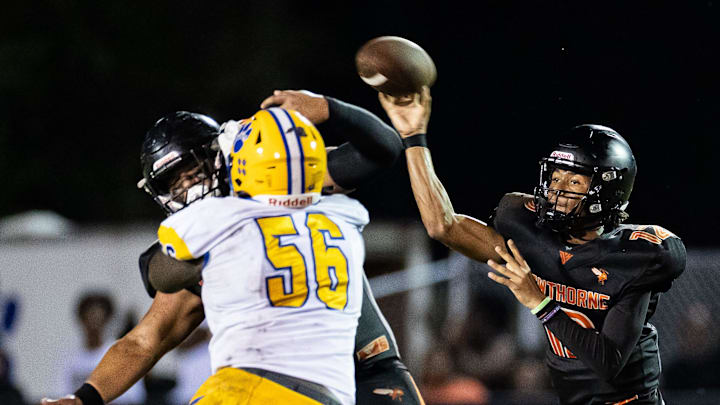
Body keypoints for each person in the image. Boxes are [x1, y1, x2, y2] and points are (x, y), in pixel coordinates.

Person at [44, 91, 424, 405]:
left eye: (194, 171)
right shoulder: (229, 223)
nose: (189, 188)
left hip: (364, 372)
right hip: (295, 386)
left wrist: (327, 108)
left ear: (224, 153)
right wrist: (85, 398)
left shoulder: (280, 182)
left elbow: (155, 270)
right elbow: (146, 338)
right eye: (175, 185)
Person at [378, 86, 686, 405]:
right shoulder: (530, 234)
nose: (557, 190)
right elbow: (443, 225)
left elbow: (608, 363)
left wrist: (538, 301)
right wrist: (414, 137)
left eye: (574, 181)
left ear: (607, 191)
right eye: (554, 178)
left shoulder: (632, 256)